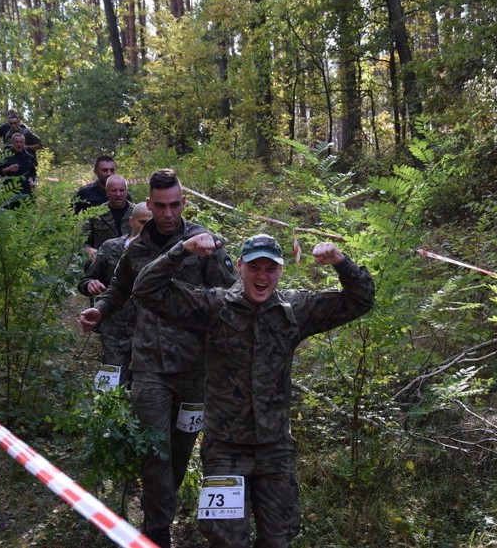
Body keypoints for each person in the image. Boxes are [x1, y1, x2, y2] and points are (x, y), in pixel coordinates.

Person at [131, 232, 375, 548]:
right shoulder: (215, 307)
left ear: (280, 271)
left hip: (275, 449)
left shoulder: (294, 309)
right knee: (226, 541)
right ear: (240, 267)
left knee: (278, 539)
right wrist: (182, 249)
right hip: (225, 449)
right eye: (254, 267)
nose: (262, 276)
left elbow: (361, 299)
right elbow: (146, 290)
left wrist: (342, 263)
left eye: (270, 269)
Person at [78, 168, 238, 547]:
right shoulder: (137, 247)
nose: (168, 214)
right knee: (156, 447)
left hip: (195, 365)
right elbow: (119, 287)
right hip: (148, 363)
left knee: (182, 444)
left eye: (175, 205)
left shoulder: (205, 242)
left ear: (184, 203)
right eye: (161, 206)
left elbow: (229, 295)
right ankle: (157, 529)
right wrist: (99, 310)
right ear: (149, 205)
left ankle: (165, 500)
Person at [77, 202, 152, 386]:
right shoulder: (111, 247)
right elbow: (86, 280)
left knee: (143, 388)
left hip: (149, 334)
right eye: (143, 222)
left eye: (152, 223)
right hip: (115, 330)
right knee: (110, 388)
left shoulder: (164, 253)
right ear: (131, 222)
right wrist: (90, 284)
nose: (148, 228)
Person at [81, 174, 134, 262]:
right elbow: (81, 240)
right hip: (103, 265)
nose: (118, 194)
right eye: (114, 191)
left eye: (121, 190)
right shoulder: (96, 214)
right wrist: (88, 250)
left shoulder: (136, 213)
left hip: (130, 264)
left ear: (126, 191)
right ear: (107, 192)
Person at [0, 132, 37, 210]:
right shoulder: (5, 156)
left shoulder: (30, 157)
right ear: (13, 142)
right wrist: (7, 169)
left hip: (25, 191)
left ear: (24, 143)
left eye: (21, 142)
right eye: (16, 142)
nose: (19, 144)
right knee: (9, 216)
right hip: (9, 191)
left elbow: (33, 173)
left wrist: (32, 181)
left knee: (26, 216)